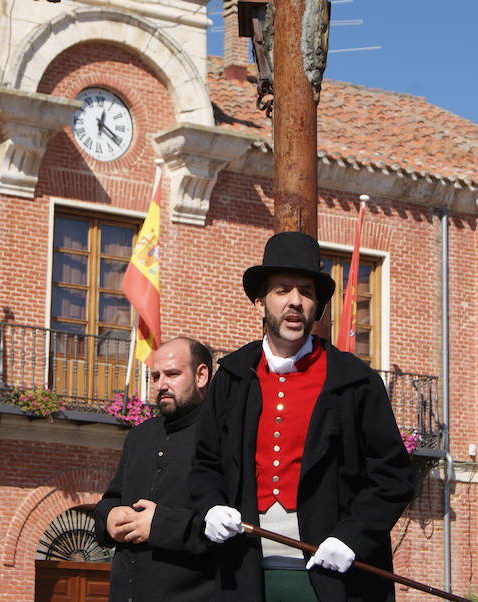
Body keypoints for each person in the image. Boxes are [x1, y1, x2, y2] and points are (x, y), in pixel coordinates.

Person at [189, 231, 414, 602]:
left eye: (306, 292)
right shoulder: (231, 376)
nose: (295, 301)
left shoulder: (356, 383)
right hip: (245, 573)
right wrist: (210, 507)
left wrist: (351, 537)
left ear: (317, 307)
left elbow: (392, 478)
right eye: (282, 290)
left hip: (335, 579)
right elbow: (205, 463)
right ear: (260, 303)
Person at [94, 337, 216, 601]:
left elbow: (231, 527)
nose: (161, 385)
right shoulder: (140, 435)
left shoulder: (223, 438)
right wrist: (110, 518)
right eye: (155, 376)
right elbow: (110, 499)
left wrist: (160, 524)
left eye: (172, 374)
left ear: (201, 375)